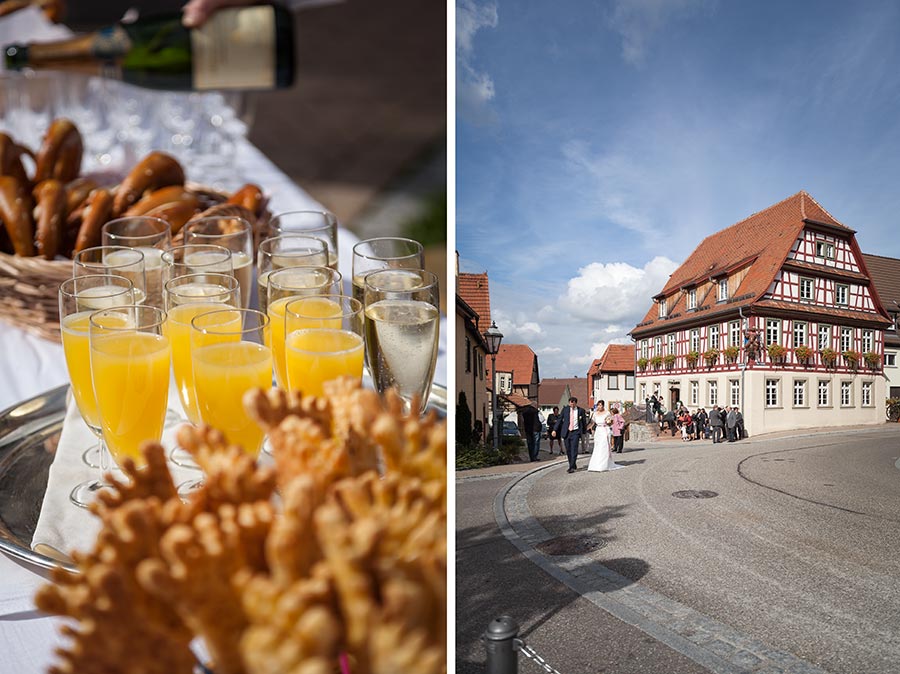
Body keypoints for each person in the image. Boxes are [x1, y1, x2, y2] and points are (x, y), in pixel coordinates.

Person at [551, 396, 588, 474]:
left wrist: (584, 431)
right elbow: (559, 420)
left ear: (575, 403)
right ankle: (572, 463)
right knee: (568, 449)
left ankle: (571, 467)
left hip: (576, 432)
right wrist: (554, 430)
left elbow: (583, 422)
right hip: (567, 432)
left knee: (574, 449)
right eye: (570, 403)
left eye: (573, 403)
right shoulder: (565, 410)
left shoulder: (580, 410)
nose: (572, 404)